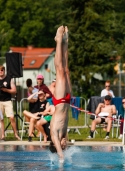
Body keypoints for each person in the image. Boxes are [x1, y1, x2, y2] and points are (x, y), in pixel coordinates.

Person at [49, 25, 72, 163]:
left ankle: (58, 41)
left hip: (59, 99)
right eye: (64, 147)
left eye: (63, 147)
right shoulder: (64, 134)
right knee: (66, 70)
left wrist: (61, 158)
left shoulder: (54, 135)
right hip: (67, 100)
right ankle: (66, 42)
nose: (64, 145)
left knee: (60, 71)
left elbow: (59, 149)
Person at [0, 65, 21, 140]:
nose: (0, 71)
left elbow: (14, 90)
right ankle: (2, 135)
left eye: (2, 70)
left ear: (4, 70)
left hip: (7, 101)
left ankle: (15, 134)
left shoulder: (9, 79)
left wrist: (6, 90)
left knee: (11, 117)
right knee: (0, 119)